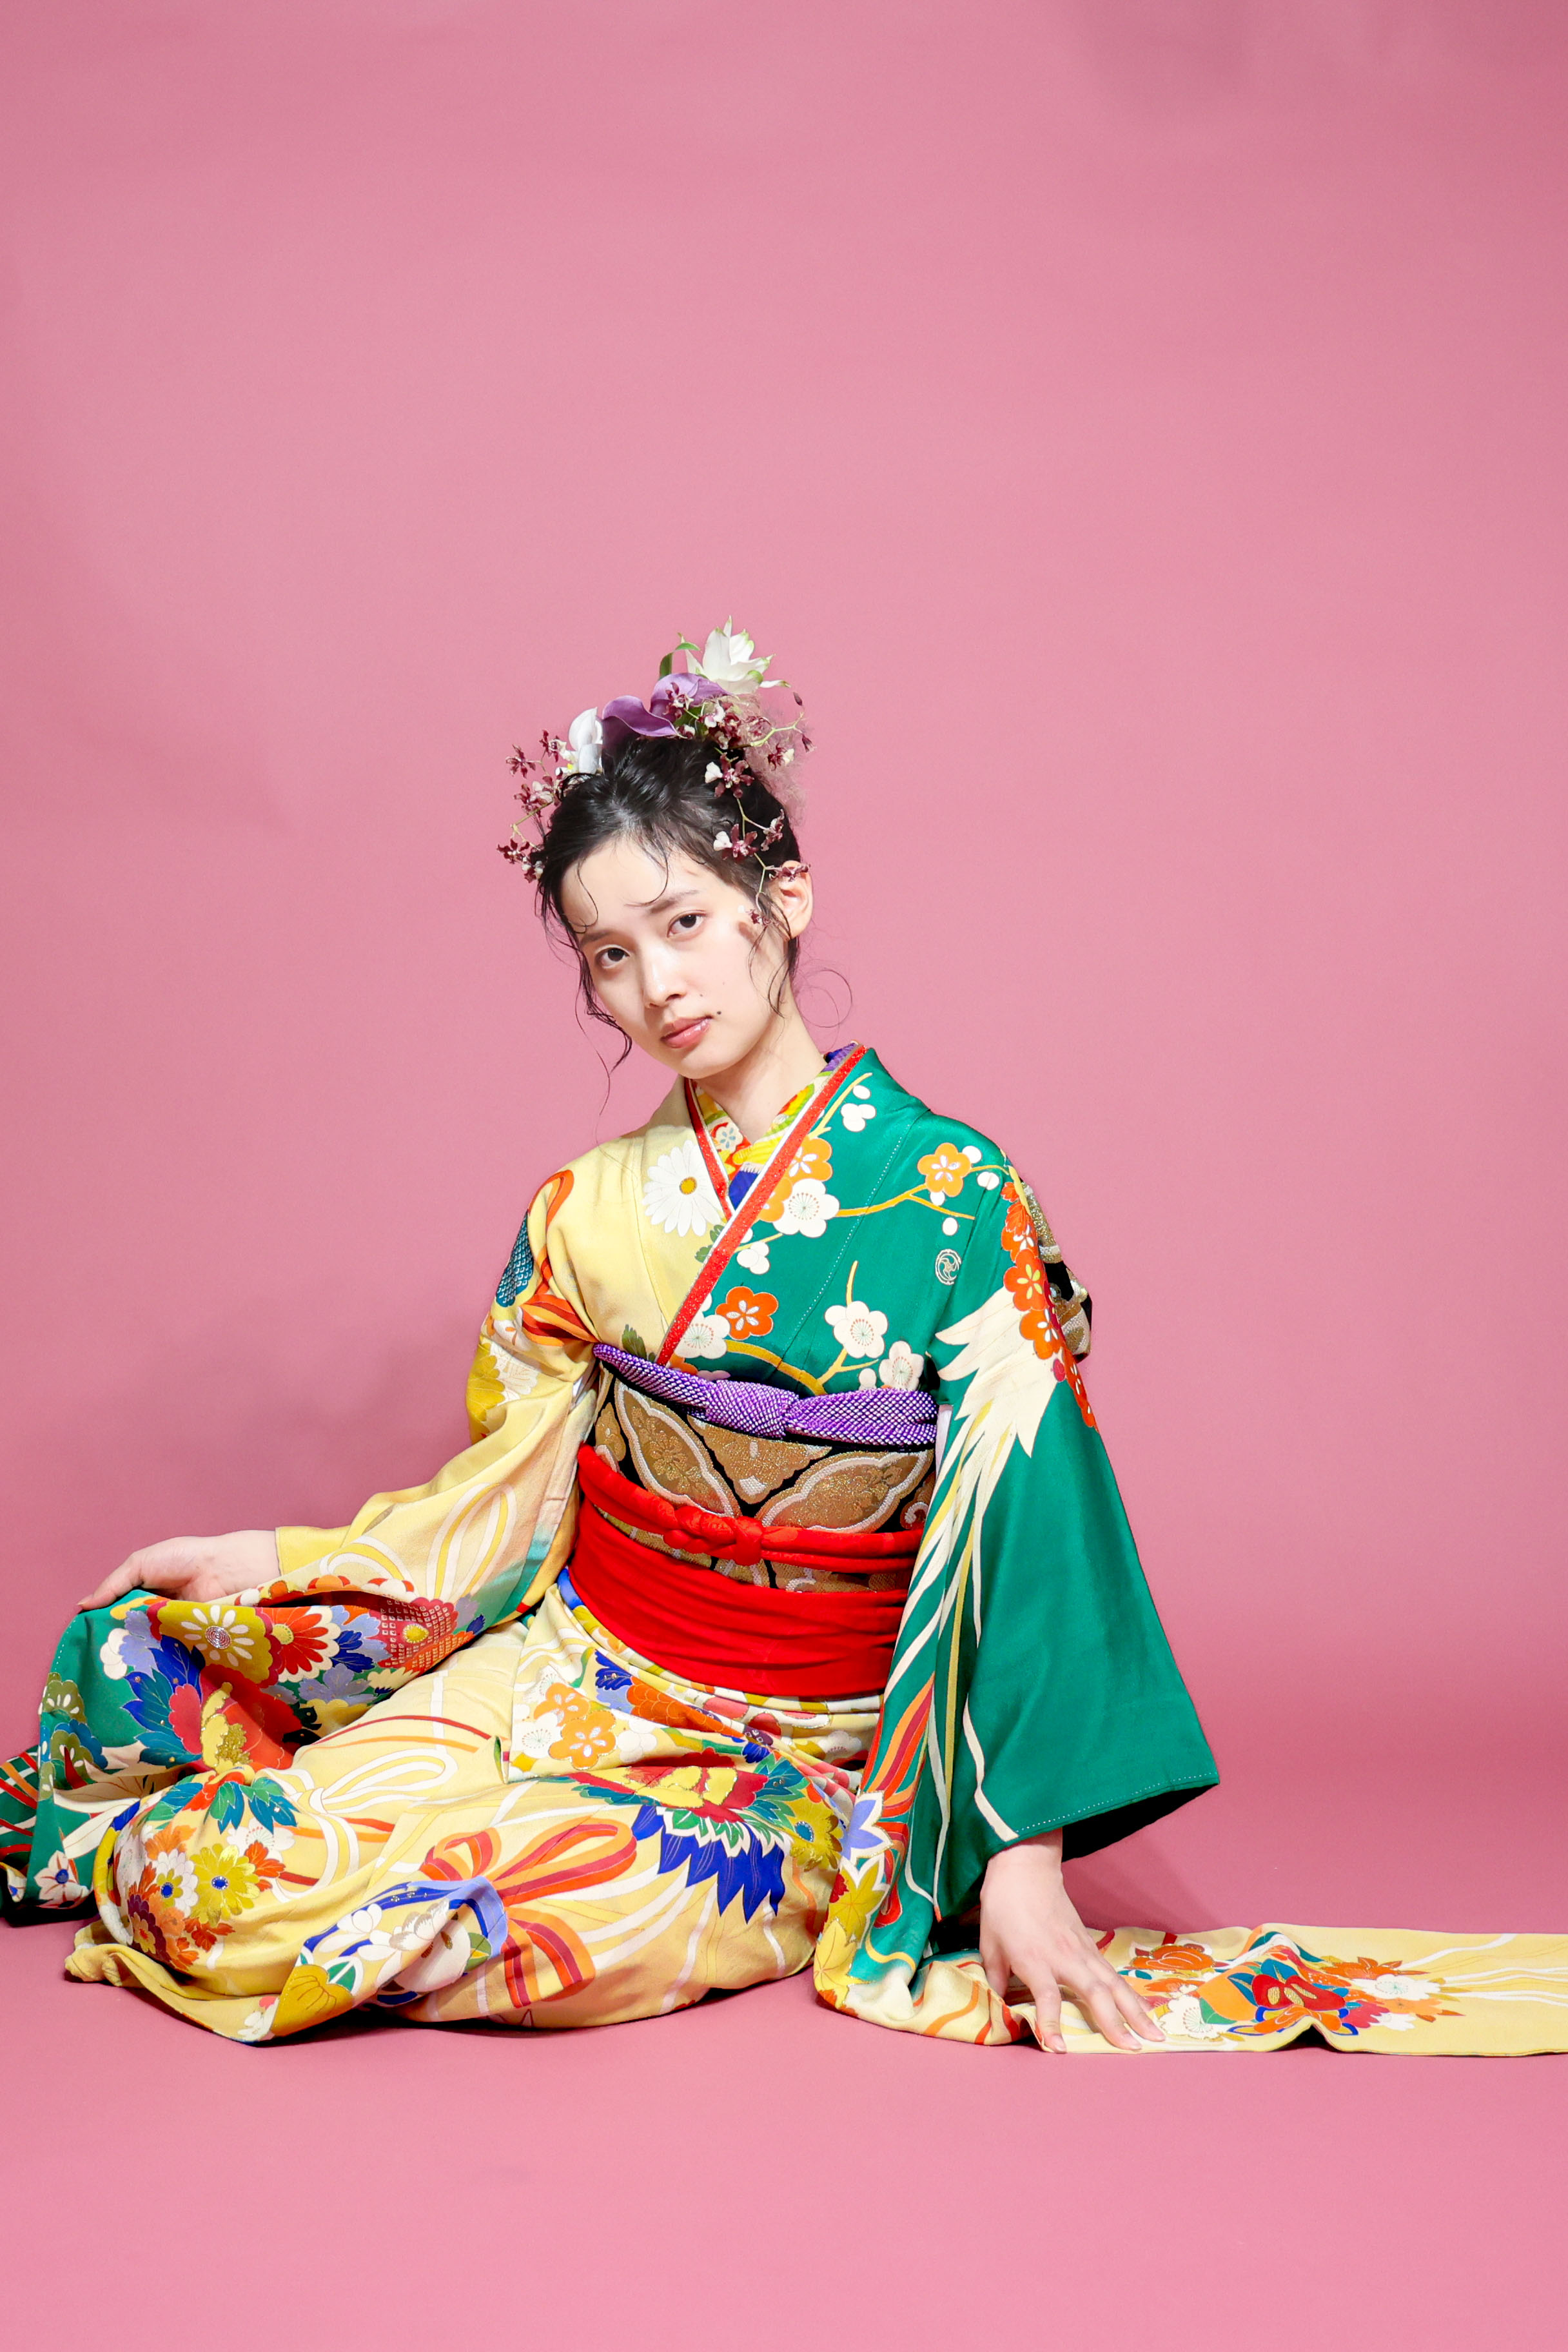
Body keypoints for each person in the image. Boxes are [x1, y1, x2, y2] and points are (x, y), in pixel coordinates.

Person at [14, 619, 1379, 2055]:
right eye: (609, 954)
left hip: (793, 1762)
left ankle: (626, 1864)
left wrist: (1023, 1857)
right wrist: (271, 1560)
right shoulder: (584, 1213)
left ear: (779, 897)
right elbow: (505, 1502)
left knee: (459, 1922)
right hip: (574, 1668)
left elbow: (1031, 1529)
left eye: (683, 925)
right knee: (216, 1852)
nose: (655, 984)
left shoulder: (956, 1199)